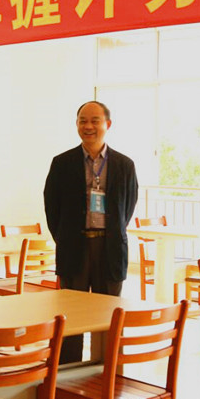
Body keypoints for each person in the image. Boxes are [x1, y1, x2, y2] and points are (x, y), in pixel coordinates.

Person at [43, 100, 138, 364]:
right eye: (83, 121)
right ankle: (68, 370)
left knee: (109, 313)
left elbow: (128, 206)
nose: (88, 126)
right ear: (76, 125)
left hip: (110, 248)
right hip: (74, 246)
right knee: (71, 313)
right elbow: (52, 206)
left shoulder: (125, 165)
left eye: (95, 121)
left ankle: (107, 368)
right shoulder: (62, 163)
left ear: (108, 124)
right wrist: (65, 238)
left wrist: (111, 232)